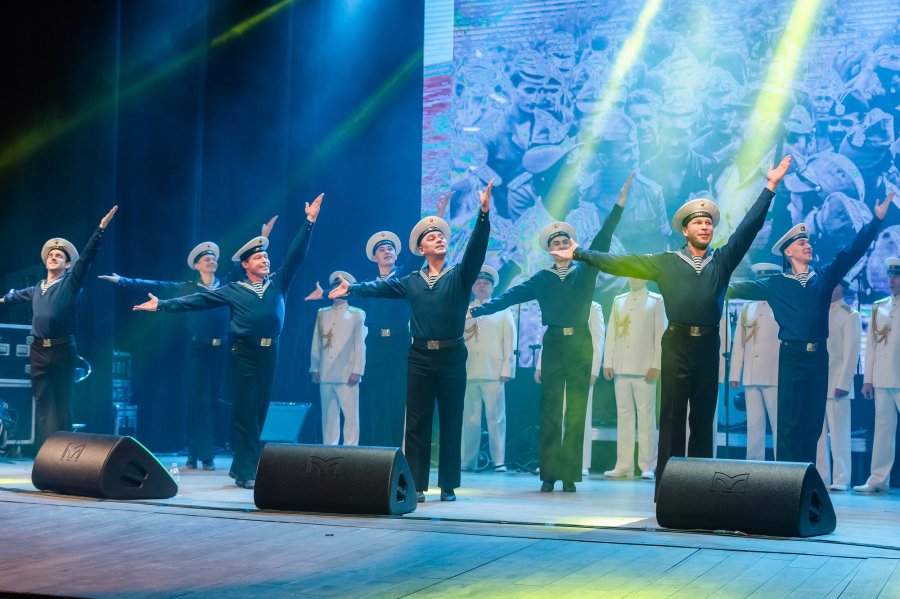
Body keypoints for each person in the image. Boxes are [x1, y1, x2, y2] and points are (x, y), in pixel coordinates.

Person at [550, 156, 792, 492]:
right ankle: (668, 489)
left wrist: (770, 187)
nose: (705, 227)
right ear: (685, 230)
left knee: (703, 419)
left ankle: (702, 489)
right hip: (677, 344)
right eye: (698, 223)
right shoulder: (666, 262)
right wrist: (579, 254)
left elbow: (748, 229)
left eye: (709, 223)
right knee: (672, 417)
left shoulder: (722, 261)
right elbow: (620, 262)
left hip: (708, 345)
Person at [133, 194, 323, 489]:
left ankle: (241, 467)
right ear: (246, 264)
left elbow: (296, 255)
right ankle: (248, 470)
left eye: (266, 257)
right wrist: (162, 305)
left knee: (259, 411)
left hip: (270, 352)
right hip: (243, 352)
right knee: (245, 411)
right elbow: (197, 300)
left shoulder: (278, 282)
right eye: (258, 258)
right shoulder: (233, 289)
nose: (265, 260)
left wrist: (309, 222)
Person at [329, 182, 493, 502]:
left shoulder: (459, 276)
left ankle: (448, 484)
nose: (439, 238)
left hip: (451, 355)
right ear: (421, 249)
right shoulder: (411, 281)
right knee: (416, 423)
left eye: (441, 236)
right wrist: (352, 289)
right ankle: (417, 484)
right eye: (432, 237)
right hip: (419, 356)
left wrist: (483, 214)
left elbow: (477, 248)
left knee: (450, 420)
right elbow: (380, 288)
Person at [471, 174, 632, 493]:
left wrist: (618, 205)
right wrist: (476, 311)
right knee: (550, 411)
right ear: (548, 250)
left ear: (573, 246)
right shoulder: (541, 279)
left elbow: (603, 238)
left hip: (581, 344)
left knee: (576, 412)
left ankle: (570, 474)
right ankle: (549, 473)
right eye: (555, 244)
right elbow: (508, 297)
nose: (560, 246)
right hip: (555, 342)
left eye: (565, 242)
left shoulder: (585, 270)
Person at [728, 193, 891, 464]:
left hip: (817, 359)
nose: (808, 246)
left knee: (813, 425)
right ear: (788, 252)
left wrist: (876, 221)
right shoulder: (776, 284)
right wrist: (707, 276)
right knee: (789, 424)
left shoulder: (823, 278)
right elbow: (734, 288)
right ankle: (786, 479)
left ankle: (805, 477)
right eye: (802, 243)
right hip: (791, 358)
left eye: (808, 242)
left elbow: (852, 252)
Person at [1, 206, 118, 450]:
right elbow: (13, 297)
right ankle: (46, 453)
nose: (53, 257)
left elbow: (86, 259)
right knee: (43, 405)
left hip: (62, 349)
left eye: (59, 256)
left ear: (67, 264)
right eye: (51, 255)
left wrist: (100, 229)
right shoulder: (36, 288)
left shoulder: (71, 283)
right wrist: (5, 298)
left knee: (63, 404)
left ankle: (64, 455)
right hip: (38, 350)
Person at [603, 277, 665, 479]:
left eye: (637, 274)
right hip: (621, 366)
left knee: (646, 418)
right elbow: (611, 333)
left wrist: (657, 364)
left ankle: (647, 465)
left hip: (644, 368)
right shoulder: (619, 300)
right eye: (630, 274)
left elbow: (661, 335)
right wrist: (608, 361)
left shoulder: (656, 300)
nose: (633, 278)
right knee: (624, 417)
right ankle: (624, 465)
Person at [461, 265, 516, 472]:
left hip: (494, 372)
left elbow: (509, 341)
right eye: (478, 282)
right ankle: (467, 460)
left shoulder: (502, 310)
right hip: (468, 371)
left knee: (496, 418)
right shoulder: (464, 310)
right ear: (473, 286)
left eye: (486, 283)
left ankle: (498, 460)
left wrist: (508, 368)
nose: (482, 286)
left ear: (492, 288)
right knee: (469, 419)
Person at [854, 257, 900, 493]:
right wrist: (868, 380)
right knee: (882, 430)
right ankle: (878, 479)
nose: (892, 280)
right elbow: (872, 346)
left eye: (896, 276)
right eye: (890, 275)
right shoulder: (879, 307)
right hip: (883, 377)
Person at [728, 263, 782, 461]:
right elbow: (739, 342)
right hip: (751, 375)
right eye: (759, 279)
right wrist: (735, 373)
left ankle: (782, 466)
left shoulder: (781, 304)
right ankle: (753, 464)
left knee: (778, 425)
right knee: (753, 425)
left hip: (774, 374)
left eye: (764, 280)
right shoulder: (747, 307)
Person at [310, 271, 366, 446]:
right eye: (335, 286)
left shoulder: (357, 314)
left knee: (350, 416)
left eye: (341, 287)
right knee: (329, 416)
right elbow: (316, 342)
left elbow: (360, 345)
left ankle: (351, 449)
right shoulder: (322, 313)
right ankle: (329, 449)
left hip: (347, 373)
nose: (337, 290)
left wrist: (357, 370)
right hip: (326, 372)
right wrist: (315, 367)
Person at [816, 281, 861, 491]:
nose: (832, 289)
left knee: (839, 434)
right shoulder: (819, 311)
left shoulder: (850, 314)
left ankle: (842, 478)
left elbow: (851, 353)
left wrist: (844, 383)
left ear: (840, 288)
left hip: (837, 383)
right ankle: (822, 476)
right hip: (819, 382)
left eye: (835, 285)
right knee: (818, 435)